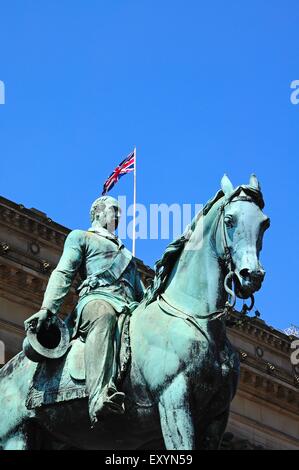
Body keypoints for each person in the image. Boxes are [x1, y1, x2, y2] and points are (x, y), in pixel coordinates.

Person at [25, 196, 144, 427]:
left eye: (120, 212)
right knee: (104, 315)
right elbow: (63, 272)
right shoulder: (81, 237)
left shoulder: (129, 259)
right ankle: (98, 396)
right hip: (97, 299)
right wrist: (47, 308)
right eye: (114, 210)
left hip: (129, 308)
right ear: (98, 213)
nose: (118, 216)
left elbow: (142, 295)